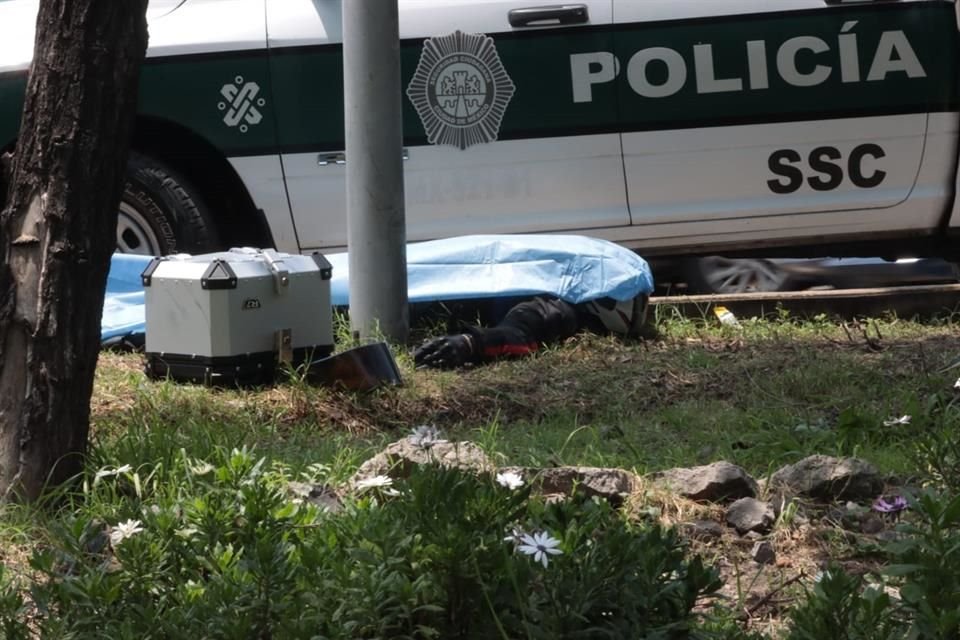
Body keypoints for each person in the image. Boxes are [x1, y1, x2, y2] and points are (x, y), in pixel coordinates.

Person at [413, 294, 648, 369]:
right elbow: (520, 330)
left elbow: (519, 332)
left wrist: (471, 343)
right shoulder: (563, 307)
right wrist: (471, 342)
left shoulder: (565, 311)